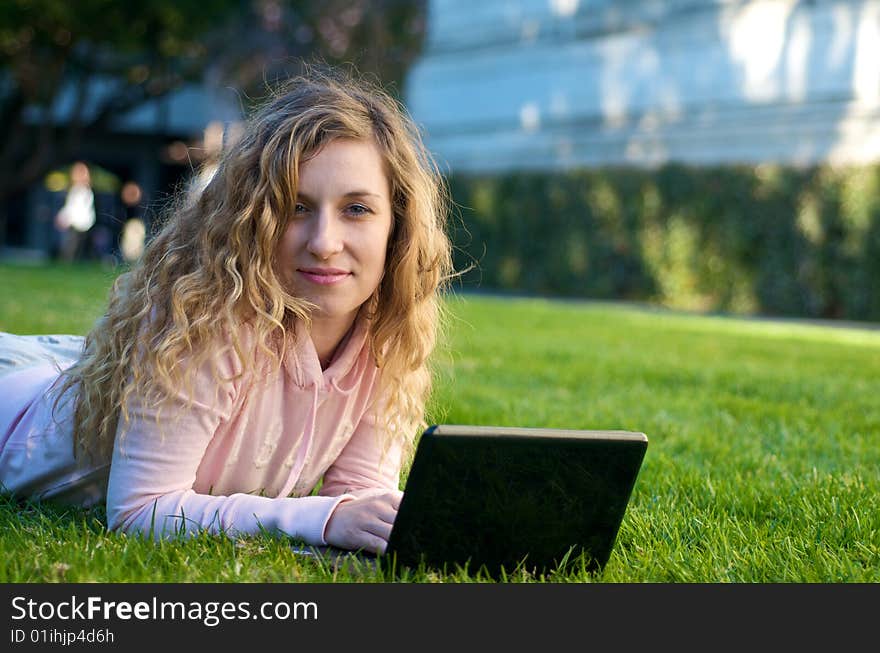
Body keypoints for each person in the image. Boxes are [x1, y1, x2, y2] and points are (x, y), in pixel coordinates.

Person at [0, 67, 454, 555]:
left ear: (397, 225)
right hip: (15, 419)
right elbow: (139, 510)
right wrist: (316, 518)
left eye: (356, 209)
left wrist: (372, 520)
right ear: (254, 217)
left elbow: (357, 500)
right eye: (297, 207)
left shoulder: (385, 336)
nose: (324, 243)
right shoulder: (206, 322)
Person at [54, 161, 96, 261]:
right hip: (76, 223)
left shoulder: (83, 191)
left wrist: (66, 218)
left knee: (75, 247)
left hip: (80, 223)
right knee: (72, 246)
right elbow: (70, 207)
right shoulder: (75, 190)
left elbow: (76, 209)